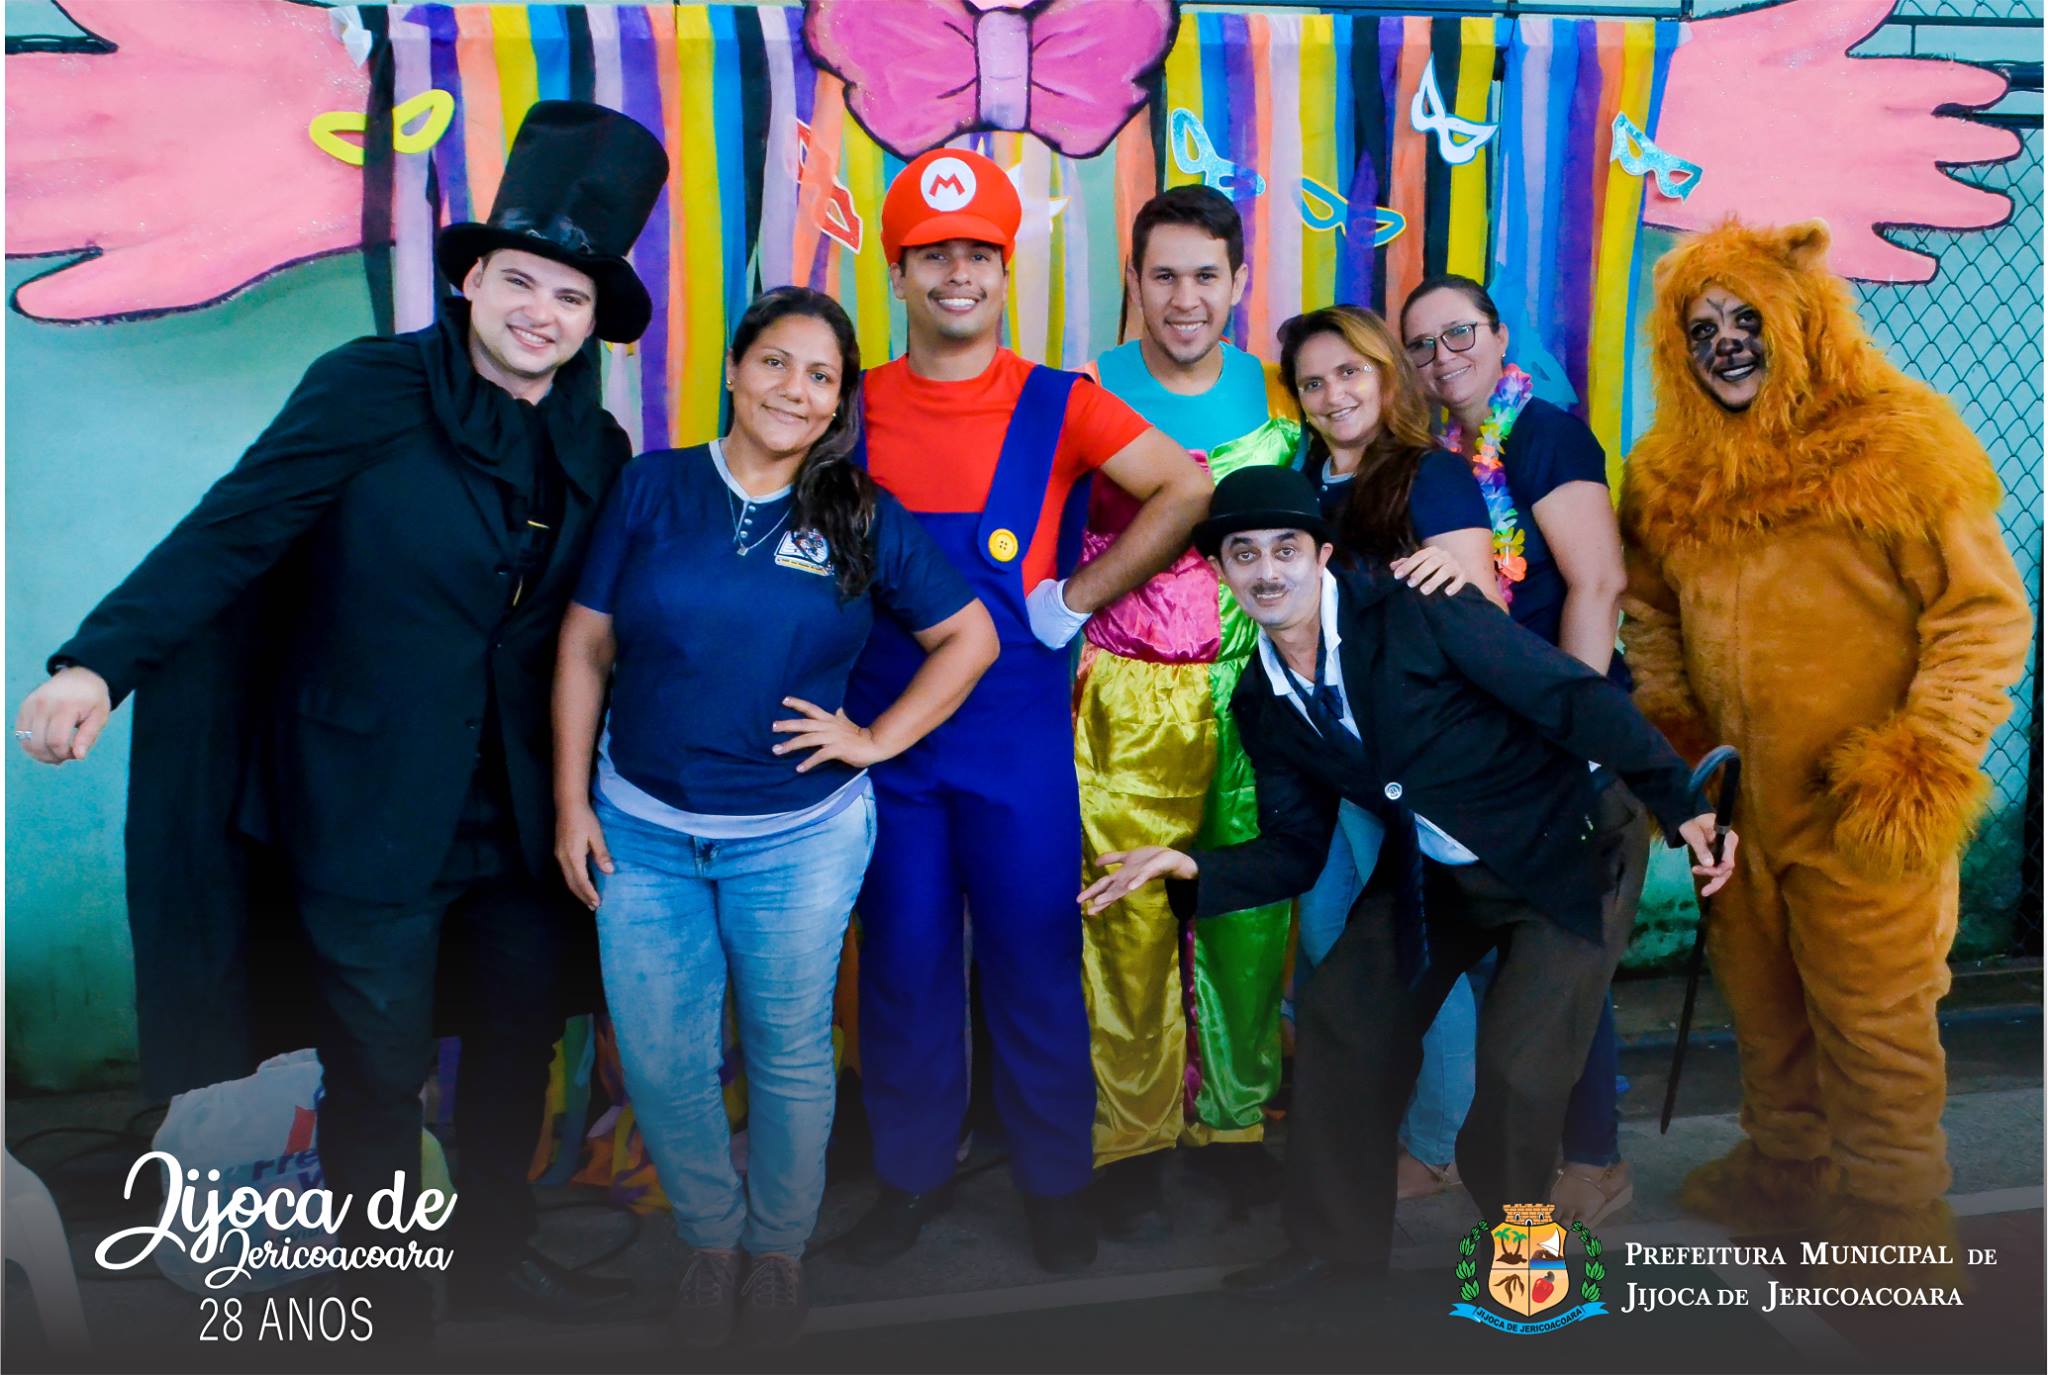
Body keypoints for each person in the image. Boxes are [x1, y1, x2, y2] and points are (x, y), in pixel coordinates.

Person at [12, 102, 668, 1339]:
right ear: (472, 278)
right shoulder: (366, 388)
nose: (540, 311)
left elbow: (608, 623)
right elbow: (233, 529)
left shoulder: (597, 445)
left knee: (516, 1037)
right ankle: (384, 1289)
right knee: (374, 1061)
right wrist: (95, 665)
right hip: (364, 802)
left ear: (594, 321)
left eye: (570, 296)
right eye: (519, 280)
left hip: (518, 809)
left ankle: (491, 1255)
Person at [1078, 466, 1735, 1299]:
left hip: (1565, 850)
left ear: (1322, 554)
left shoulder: (1420, 608)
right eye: (1244, 554)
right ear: (1220, 571)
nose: (1267, 571)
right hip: (1437, 871)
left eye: (1286, 548)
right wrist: (1196, 866)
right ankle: (1334, 1253)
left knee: (1519, 1074)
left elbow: (1569, 695)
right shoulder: (1262, 699)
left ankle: (1524, 1267)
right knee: (1342, 1013)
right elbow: (1296, 848)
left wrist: (1679, 800)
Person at [551, 287, 997, 1347]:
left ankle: (778, 1250)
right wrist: (570, 802)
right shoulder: (652, 487)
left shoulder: (858, 513)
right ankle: (712, 1240)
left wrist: (875, 738)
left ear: (839, 401)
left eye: (821, 375)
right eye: (775, 363)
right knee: (662, 1060)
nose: (795, 390)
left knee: (788, 1050)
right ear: (734, 369)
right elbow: (582, 644)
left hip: (797, 839)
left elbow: (970, 637)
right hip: (642, 832)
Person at [1618, 219, 2029, 1270]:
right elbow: (1649, 618)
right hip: (1738, 814)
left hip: (1862, 808)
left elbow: (1982, 615)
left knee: (1876, 1024)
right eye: (1699, 327)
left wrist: (1920, 760)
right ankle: (1784, 1172)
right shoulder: (1665, 473)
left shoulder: (1897, 439)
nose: (1724, 343)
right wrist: (1680, 751)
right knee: (1764, 1012)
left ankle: (1894, 1219)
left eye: (1746, 319)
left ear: (1802, 323)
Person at [841, 148, 1211, 1273]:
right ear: (897, 274)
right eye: (931, 255)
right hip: (888, 740)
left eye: (978, 254)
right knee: (901, 966)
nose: (956, 274)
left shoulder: (1061, 401)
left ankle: (1056, 1183)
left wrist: (1075, 598)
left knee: (1037, 960)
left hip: (1018, 747)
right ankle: (909, 1175)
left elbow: (1187, 486)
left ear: (1005, 271)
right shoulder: (846, 406)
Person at [1071, 186, 1299, 1233]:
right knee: (1123, 919)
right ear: (1133, 279)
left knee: (1247, 917)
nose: (1184, 297)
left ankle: (1236, 1122)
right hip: (1126, 696)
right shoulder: (1084, 392)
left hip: (1257, 696)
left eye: (1205, 275)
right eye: (1162, 275)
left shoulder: (1281, 395)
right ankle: (1129, 1135)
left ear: (1239, 281)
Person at [1400, 273, 1643, 1227]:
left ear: (1501, 337)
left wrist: (1570, 732)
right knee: (1520, 960)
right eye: (1422, 345)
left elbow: (1598, 582)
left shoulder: (1545, 436)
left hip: (1563, 738)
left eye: (1460, 332)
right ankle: (1485, 1148)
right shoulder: (1441, 460)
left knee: (1568, 955)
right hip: (1489, 745)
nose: (1442, 356)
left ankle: (1595, 1158)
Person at [1275, 305, 1501, 1206]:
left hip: (1408, 759)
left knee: (1414, 954)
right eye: (1314, 381)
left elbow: (1480, 611)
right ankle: (1366, 1119)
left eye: (1350, 372)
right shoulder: (1302, 484)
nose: (1334, 393)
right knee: (1331, 941)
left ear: (1384, 374)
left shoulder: (1427, 475)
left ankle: (1436, 1144)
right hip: (1326, 755)